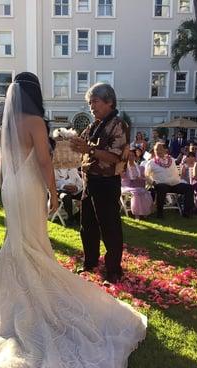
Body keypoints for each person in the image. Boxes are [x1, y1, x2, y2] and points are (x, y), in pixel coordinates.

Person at [0, 73, 146, 368]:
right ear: (35, 93)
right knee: (32, 242)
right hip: (30, 187)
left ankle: (23, 292)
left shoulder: (5, 125)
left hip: (11, 188)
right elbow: (45, 161)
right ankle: (35, 296)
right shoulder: (34, 120)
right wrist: (53, 193)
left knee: (19, 241)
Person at [70, 83, 129, 283]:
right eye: (89, 103)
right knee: (87, 225)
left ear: (109, 102)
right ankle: (90, 263)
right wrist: (71, 142)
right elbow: (82, 143)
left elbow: (115, 157)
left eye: (94, 102)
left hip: (107, 182)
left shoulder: (118, 125)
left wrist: (89, 149)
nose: (91, 107)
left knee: (109, 226)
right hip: (90, 180)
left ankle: (113, 270)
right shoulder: (94, 125)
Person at [145, 142, 194, 218]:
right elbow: (146, 175)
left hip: (175, 184)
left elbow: (178, 161)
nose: (158, 151)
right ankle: (160, 213)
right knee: (161, 187)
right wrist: (153, 182)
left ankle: (186, 212)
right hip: (161, 184)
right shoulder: (151, 162)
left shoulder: (171, 159)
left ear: (165, 150)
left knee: (189, 187)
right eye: (156, 150)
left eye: (160, 149)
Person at [121, 150, 153, 219]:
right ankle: (137, 214)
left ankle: (144, 213)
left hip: (138, 186)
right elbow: (123, 179)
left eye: (132, 155)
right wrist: (131, 178)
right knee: (137, 192)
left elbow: (144, 178)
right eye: (129, 156)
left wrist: (140, 178)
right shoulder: (123, 167)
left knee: (145, 192)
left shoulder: (140, 168)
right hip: (127, 186)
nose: (130, 157)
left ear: (135, 157)